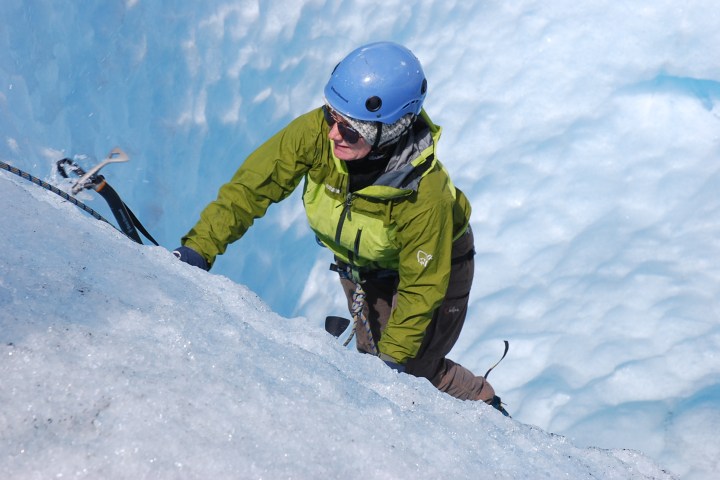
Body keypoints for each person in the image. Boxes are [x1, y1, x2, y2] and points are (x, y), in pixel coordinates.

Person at [174, 41, 508, 415]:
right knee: (371, 361)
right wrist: (197, 250)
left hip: (438, 264)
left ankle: (483, 403)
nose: (334, 133)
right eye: (332, 116)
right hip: (364, 262)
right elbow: (251, 189)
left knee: (410, 368)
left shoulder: (424, 194)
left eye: (351, 130)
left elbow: (422, 286)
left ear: (390, 131)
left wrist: (393, 364)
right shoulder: (317, 134)